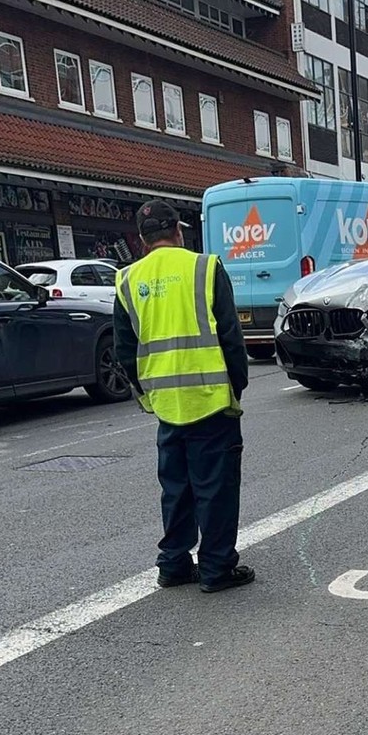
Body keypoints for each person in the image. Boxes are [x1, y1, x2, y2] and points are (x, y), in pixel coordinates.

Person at [113, 200, 255, 592]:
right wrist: (235, 389)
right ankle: (216, 568)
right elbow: (231, 337)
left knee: (176, 488)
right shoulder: (205, 268)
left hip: (166, 404)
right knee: (216, 488)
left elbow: (125, 351)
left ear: (142, 240)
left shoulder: (126, 280)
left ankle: (173, 565)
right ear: (178, 230)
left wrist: (147, 396)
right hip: (210, 399)